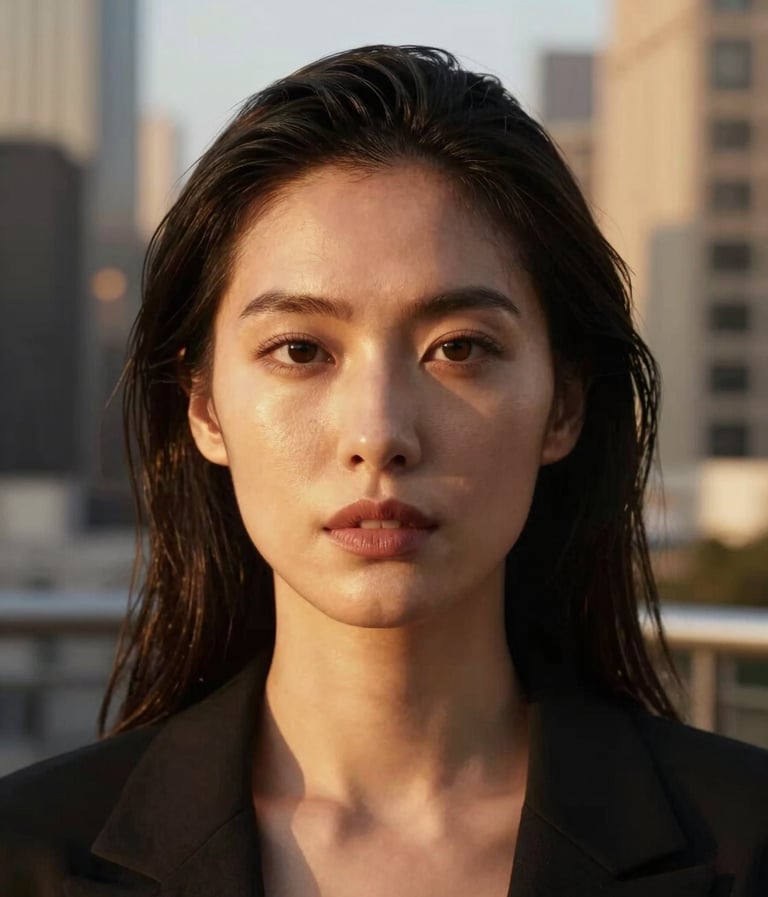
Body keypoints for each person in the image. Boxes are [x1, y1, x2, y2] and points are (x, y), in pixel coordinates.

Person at [1, 44, 767, 897]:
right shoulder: (28, 855)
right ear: (205, 406)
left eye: (459, 349)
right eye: (299, 349)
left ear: (564, 406)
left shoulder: (744, 843)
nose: (379, 432)